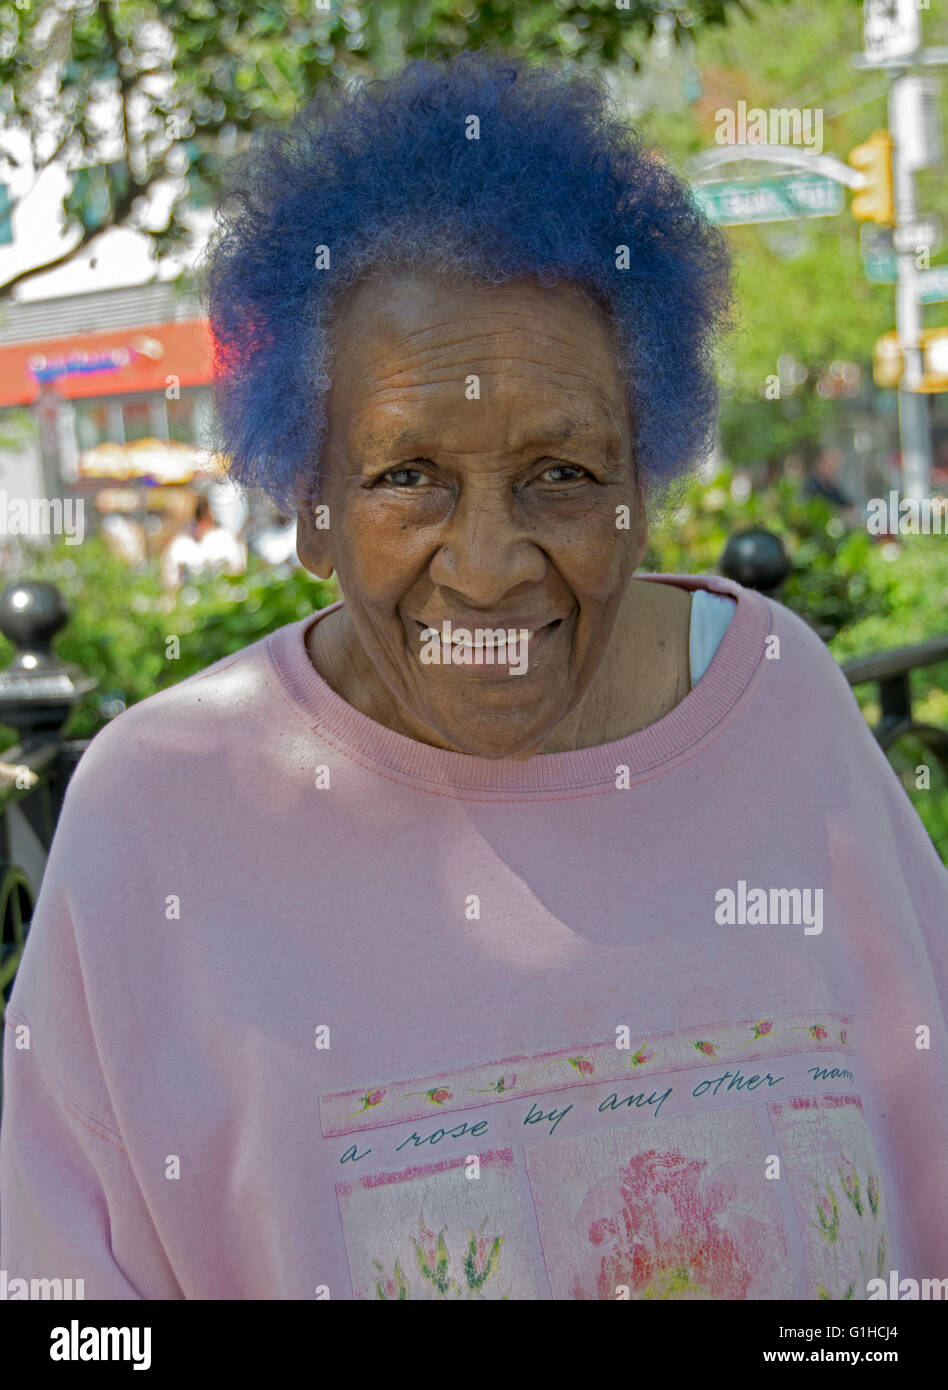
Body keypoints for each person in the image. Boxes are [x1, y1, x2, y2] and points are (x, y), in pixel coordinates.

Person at [1, 53, 945, 1302]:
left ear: (643, 489)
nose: (491, 566)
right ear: (312, 506)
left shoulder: (788, 711)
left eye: (562, 472)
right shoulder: (158, 810)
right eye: (408, 478)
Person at [160, 491, 247, 591]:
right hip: (193, 597)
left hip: (220, 594)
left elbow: (237, 570)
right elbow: (171, 579)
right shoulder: (181, 544)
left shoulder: (224, 538)